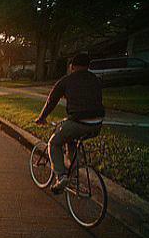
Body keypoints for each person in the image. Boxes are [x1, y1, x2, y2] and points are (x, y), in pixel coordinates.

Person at [35, 53, 105, 193]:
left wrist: (41, 118)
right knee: (70, 139)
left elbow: (51, 101)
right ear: (88, 66)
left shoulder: (66, 80)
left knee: (54, 143)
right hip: (97, 124)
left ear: (72, 66)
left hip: (79, 121)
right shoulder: (96, 80)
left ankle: (61, 176)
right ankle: (73, 175)